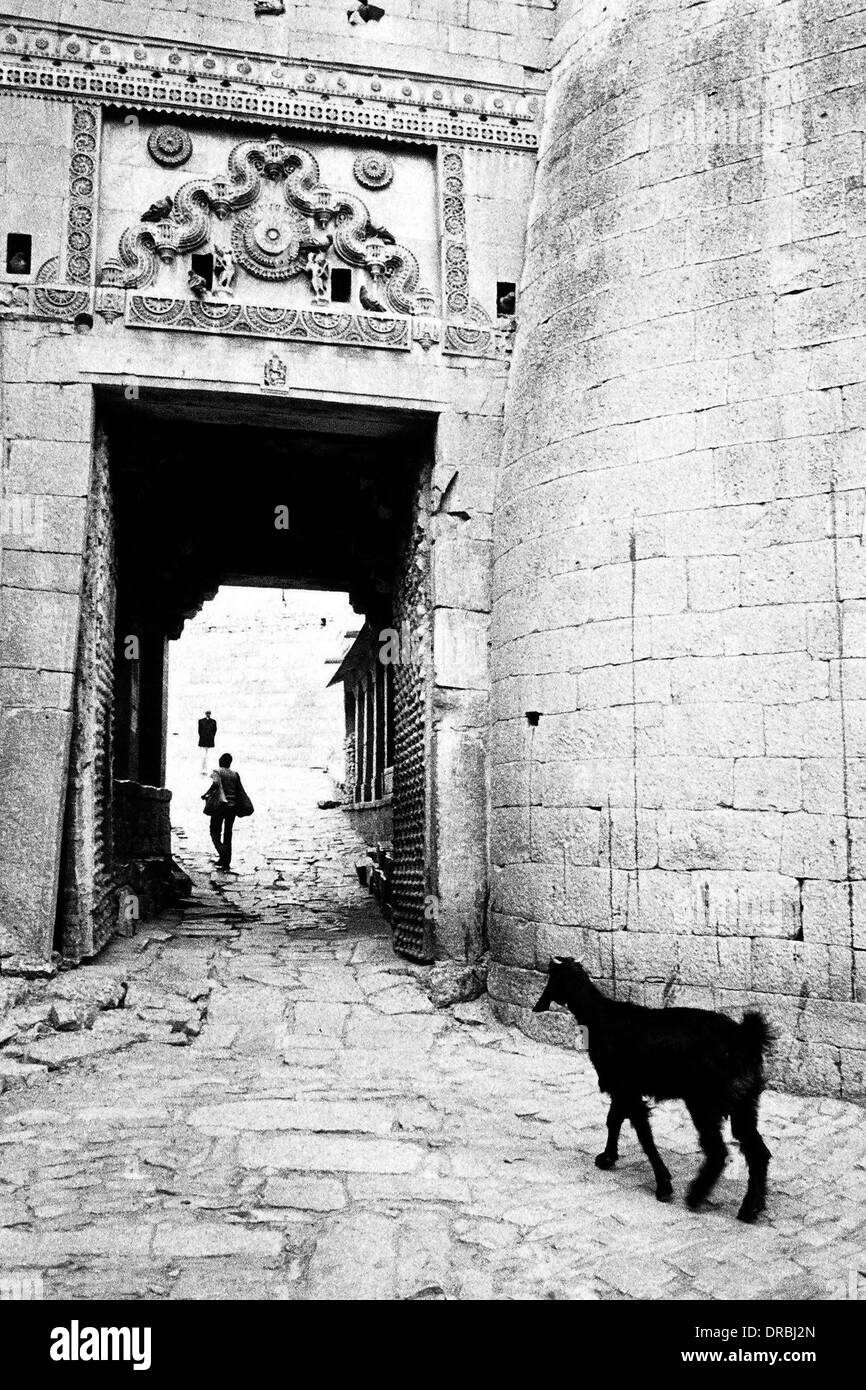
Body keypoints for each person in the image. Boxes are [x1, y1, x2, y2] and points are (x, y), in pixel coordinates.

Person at [204, 753, 248, 872]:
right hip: (232, 808)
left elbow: (215, 786)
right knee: (228, 833)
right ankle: (226, 860)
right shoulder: (235, 774)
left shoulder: (217, 772)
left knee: (214, 831)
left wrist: (205, 795)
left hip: (220, 806)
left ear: (220, 761)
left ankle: (222, 853)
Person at [198, 710, 217, 775]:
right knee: (203, 756)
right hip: (203, 741)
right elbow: (199, 731)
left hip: (210, 741)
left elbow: (214, 731)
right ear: (205, 714)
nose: (208, 714)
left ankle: (208, 770)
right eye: (207, 713)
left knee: (209, 756)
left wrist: (211, 738)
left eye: (209, 713)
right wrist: (203, 737)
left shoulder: (213, 721)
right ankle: (203, 769)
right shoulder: (201, 721)